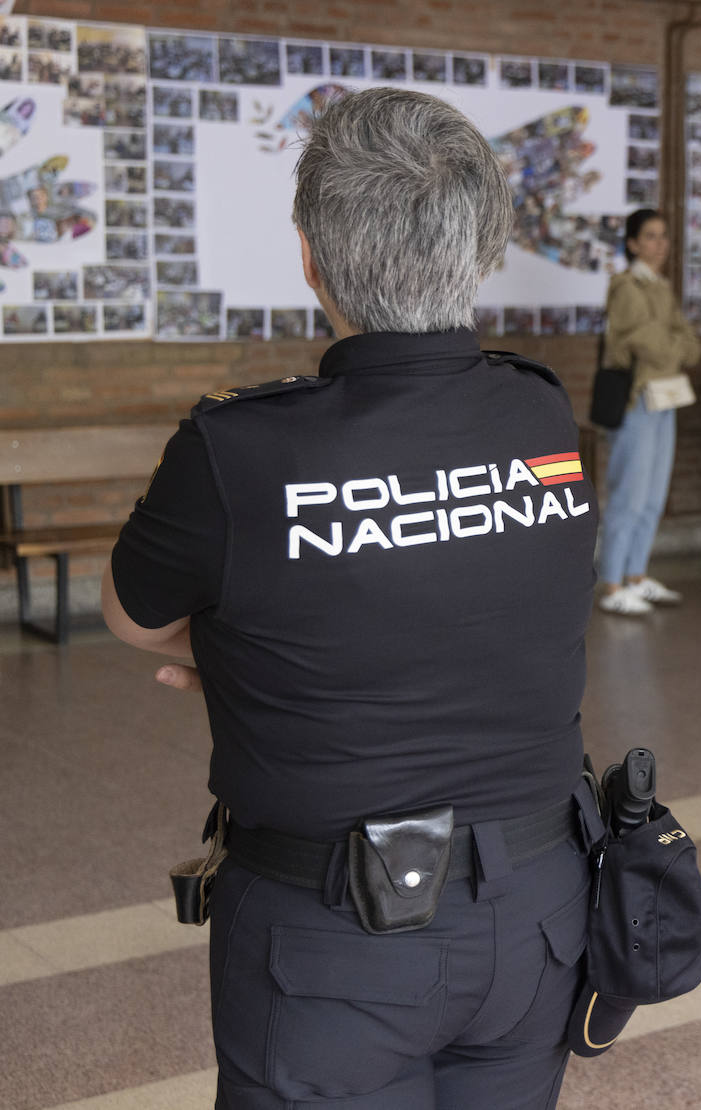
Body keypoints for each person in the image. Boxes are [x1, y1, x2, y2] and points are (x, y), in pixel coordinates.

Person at [101, 89, 601, 1109]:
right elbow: (502, 591)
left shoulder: (238, 451)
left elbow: (134, 618)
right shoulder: (539, 415)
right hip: (541, 915)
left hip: (333, 942)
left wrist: (262, 657)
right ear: (484, 249)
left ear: (311, 257)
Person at [596, 207, 701, 616]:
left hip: (666, 396)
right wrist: (672, 343)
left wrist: (671, 343)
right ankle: (611, 583)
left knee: (654, 493)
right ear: (633, 243)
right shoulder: (626, 287)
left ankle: (636, 575)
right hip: (637, 398)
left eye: (664, 236)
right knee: (630, 493)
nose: (661, 244)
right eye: (651, 236)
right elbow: (647, 341)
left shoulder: (661, 287)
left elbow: (691, 344)